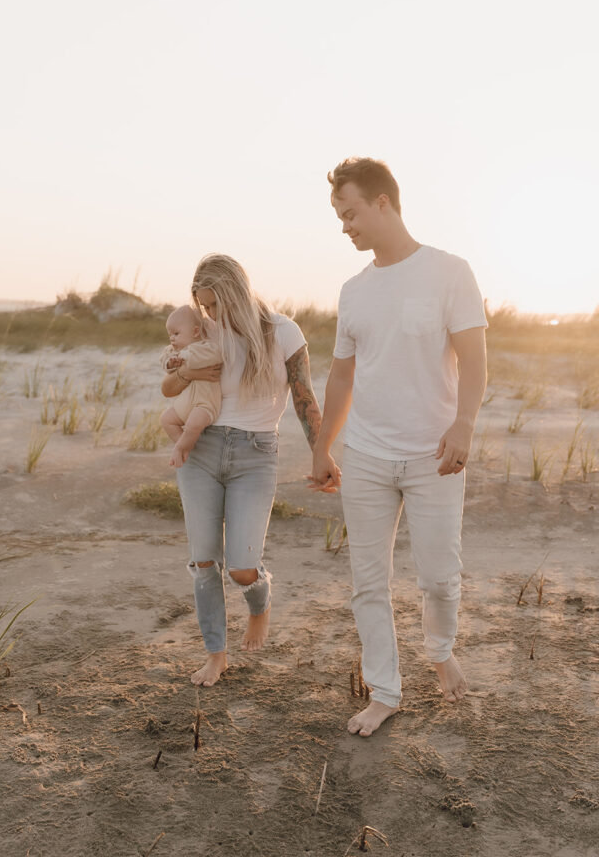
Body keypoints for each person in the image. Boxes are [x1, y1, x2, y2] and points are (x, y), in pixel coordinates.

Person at [310, 157, 487, 737]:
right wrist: (322, 447)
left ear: (383, 202)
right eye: (339, 216)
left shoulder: (449, 272)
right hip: (364, 455)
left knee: (439, 575)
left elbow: (475, 359)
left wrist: (463, 424)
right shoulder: (353, 291)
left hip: (433, 456)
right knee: (367, 581)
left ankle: (439, 650)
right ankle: (385, 690)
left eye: (350, 212)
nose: (344, 226)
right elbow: (340, 377)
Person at [161, 254, 331, 688]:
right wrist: (189, 367)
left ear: (236, 292)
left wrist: (321, 453)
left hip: (256, 454)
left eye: (216, 305)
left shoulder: (282, 331)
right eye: (204, 307)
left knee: (241, 567)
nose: (211, 315)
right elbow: (171, 387)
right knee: (203, 562)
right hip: (202, 449)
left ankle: (259, 603)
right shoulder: (205, 333)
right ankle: (215, 655)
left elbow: (304, 397)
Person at [159, 305, 222, 469]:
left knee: (194, 424)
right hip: (185, 404)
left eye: (176, 333)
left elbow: (210, 357)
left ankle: (180, 448)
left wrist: (183, 358)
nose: (172, 338)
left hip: (205, 404)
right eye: (170, 335)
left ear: (195, 332)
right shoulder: (173, 350)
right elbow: (165, 362)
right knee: (166, 419)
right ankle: (186, 446)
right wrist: (170, 362)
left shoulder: (206, 347)